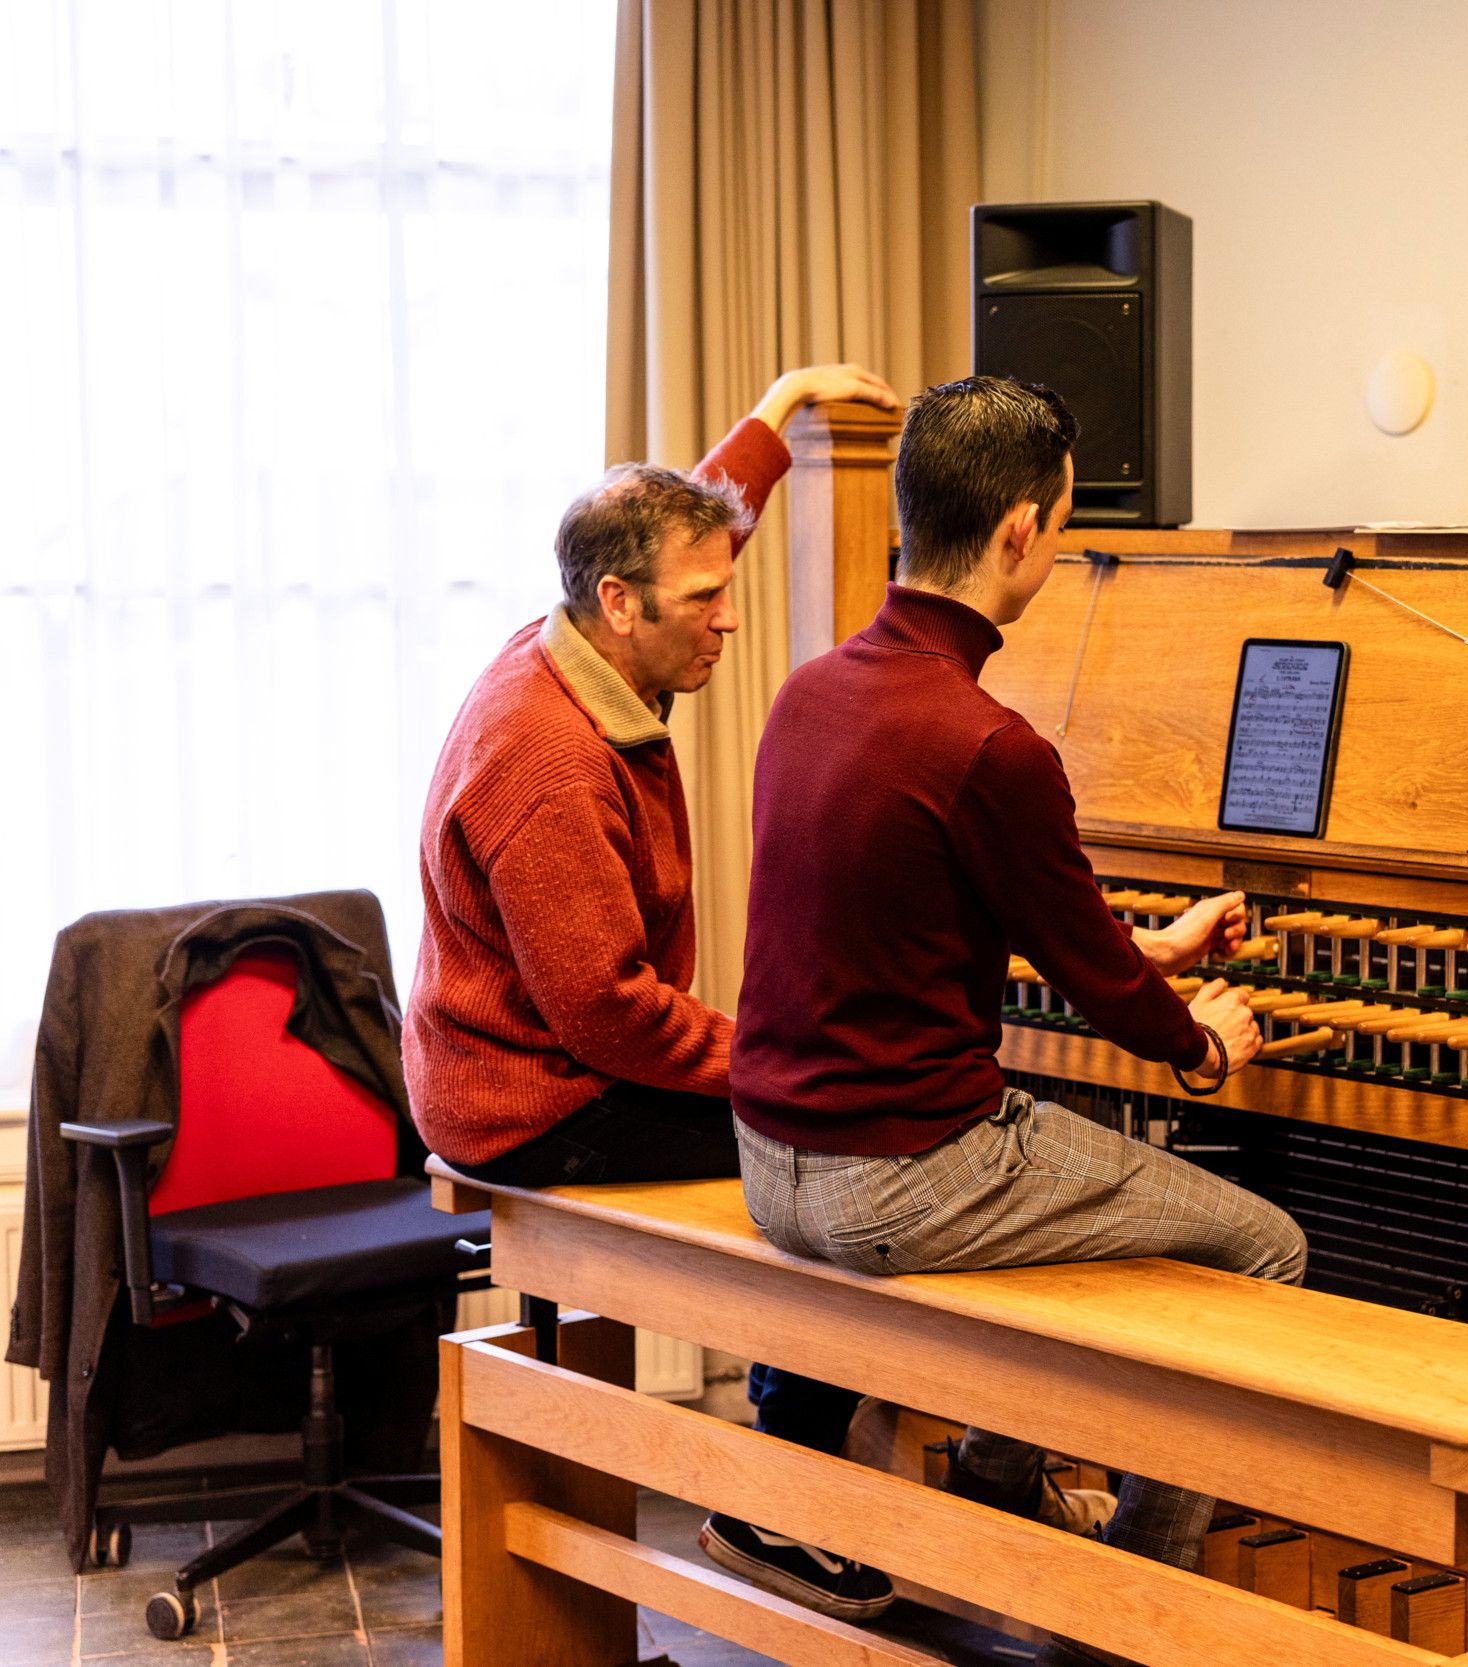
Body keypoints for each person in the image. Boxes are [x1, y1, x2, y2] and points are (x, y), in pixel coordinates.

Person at [729, 376, 1307, 1667]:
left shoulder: (813, 690)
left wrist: (1141, 946)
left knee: (1081, 1146)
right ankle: (1132, 1609)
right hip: (899, 1179)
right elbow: (1119, 1008)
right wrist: (1208, 1040)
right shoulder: (991, 741)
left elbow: (950, 911)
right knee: (1261, 1243)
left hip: (775, 1161)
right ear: (1019, 534)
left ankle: (999, 1494)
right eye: (1062, 519)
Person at [405, 361, 989, 1624]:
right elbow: (608, 1012)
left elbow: (697, 527)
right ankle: (773, 1498)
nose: (728, 619)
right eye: (706, 603)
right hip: (530, 1095)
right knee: (828, 1151)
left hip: (539, 1056)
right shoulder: (547, 763)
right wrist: (782, 1058)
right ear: (618, 606)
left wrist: (778, 413)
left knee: (820, 1130)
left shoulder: (577, 632)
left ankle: (842, 1452)